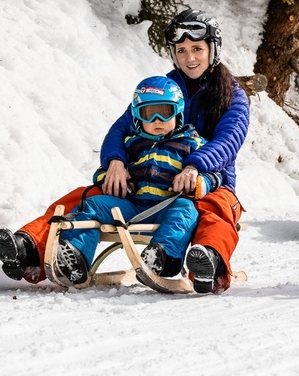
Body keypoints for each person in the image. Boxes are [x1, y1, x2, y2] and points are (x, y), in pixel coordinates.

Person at [0, 9, 250, 294]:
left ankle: (207, 262)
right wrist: (115, 161)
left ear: (213, 50)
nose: (190, 57)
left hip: (203, 182)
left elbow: (228, 141)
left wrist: (194, 167)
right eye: (182, 50)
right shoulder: (160, 90)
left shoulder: (232, 95)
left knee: (213, 210)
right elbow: (122, 127)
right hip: (145, 182)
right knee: (87, 196)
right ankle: (30, 246)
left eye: (197, 49)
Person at [47, 76, 219, 285]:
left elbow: (216, 174)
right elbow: (102, 173)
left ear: (179, 112)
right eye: (148, 113)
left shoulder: (193, 142)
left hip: (166, 207)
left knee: (185, 210)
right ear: (138, 116)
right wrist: (110, 181)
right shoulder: (131, 143)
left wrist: (201, 182)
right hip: (132, 207)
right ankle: (75, 254)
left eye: (165, 112)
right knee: (95, 204)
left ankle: (162, 256)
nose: (157, 120)